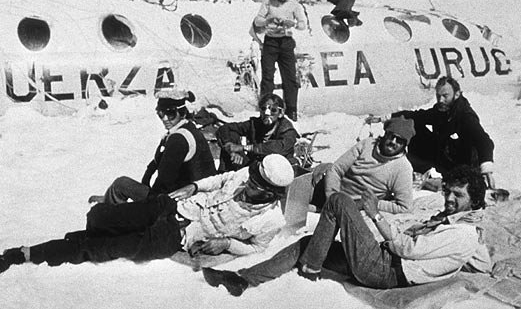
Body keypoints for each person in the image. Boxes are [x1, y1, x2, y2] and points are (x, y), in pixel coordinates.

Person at [201, 165, 492, 296]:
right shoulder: (456, 223)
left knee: (338, 201)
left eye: (458, 196)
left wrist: (376, 215)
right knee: (309, 242)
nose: (450, 199)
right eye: (449, 192)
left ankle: (313, 265)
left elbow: (409, 249)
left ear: (474, 201)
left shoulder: (464, 233)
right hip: (383, 260)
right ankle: (242, 280)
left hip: (387, 271)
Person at [0, 154, 294, 274]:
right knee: (99, 218)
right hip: (170, 207)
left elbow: (257, 247)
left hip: (176, 236)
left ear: (270, 193)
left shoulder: (271, 220)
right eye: (250, 178)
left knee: (101, 248)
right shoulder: (248, 174)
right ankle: (77, 241)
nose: (246, 185)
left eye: (254, 187)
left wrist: (227, 244)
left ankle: (23, 254)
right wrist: (193, 186)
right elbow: (220, 179)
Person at [88, 89, 217, 205]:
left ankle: (109, 204)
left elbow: (164, 181)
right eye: (161, 114)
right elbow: (157, 161)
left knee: (121, 184)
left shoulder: (178, 139)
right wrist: (146, 179)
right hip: (195, 194)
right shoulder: (187, 128)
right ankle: (110, 200)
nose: (165, 118)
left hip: (180, 200)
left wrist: (148, 201)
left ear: (182, 112)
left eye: (171, 113)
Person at [366, 76, 496, 189]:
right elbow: (416, 115)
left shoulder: (465, 116)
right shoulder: (441, 110)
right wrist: (385, 117)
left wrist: (486, 171)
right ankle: (419, 170)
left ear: (457, 95)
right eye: (438, 96)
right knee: (414, 122)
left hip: (461, 164)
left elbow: (485, 141)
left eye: (445, 96)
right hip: (444, 156)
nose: (440, 100)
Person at [311, 117, 416, 214]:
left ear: (404, 145)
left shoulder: (403, 168)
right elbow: (336, 170)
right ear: (385, 134)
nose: (393, 142)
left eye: (399, 140)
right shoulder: (367, 145)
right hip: (330, 195)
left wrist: (369, 204)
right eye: (391, 136)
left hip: (353, 208)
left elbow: (405, 207)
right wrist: (332, 198)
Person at [254, 0, 308, 122]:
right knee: (267, 78)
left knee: (290, 78)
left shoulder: (294, 5)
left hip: (286, 42)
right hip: (270, 42)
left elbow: (303, 25)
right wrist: (267, 21)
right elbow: (257, 20)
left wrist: (294, 24)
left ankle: (292, 110)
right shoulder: (268, 2)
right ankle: (265, 109)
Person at [216, 93, 299, 172]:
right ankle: (224, 175)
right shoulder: (255, 124)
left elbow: (279, 147)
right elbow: (225, 128)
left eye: (273, 110)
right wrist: (231, 149)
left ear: (280, 114)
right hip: (255, 165)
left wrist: (244, 147)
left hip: (276, 169)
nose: (267, 114)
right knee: (232, 135)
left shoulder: (287, 129)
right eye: (263, 109)